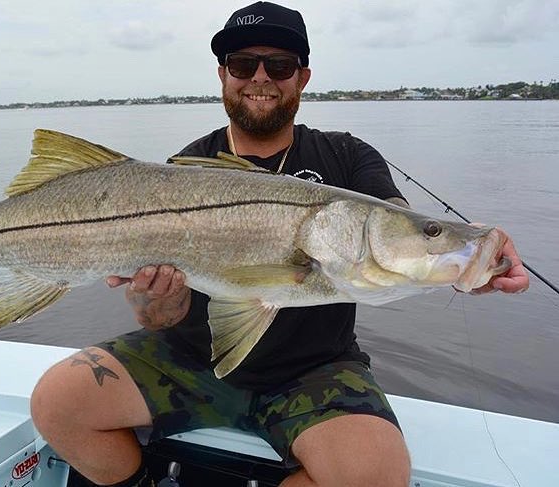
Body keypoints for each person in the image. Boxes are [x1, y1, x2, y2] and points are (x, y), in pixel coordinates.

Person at [30, 2, 530, 486]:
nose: (261, 78)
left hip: (316, 369)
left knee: (373, 477)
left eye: (281, 64)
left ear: (303, 77)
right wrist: (155, 297)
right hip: (191, 359)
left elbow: (400, 222)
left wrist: (467, 261)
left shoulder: (347, 155)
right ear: (223, 74)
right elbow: (153, 318)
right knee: (57, 404)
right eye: (243, 63)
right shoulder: (183, 170)